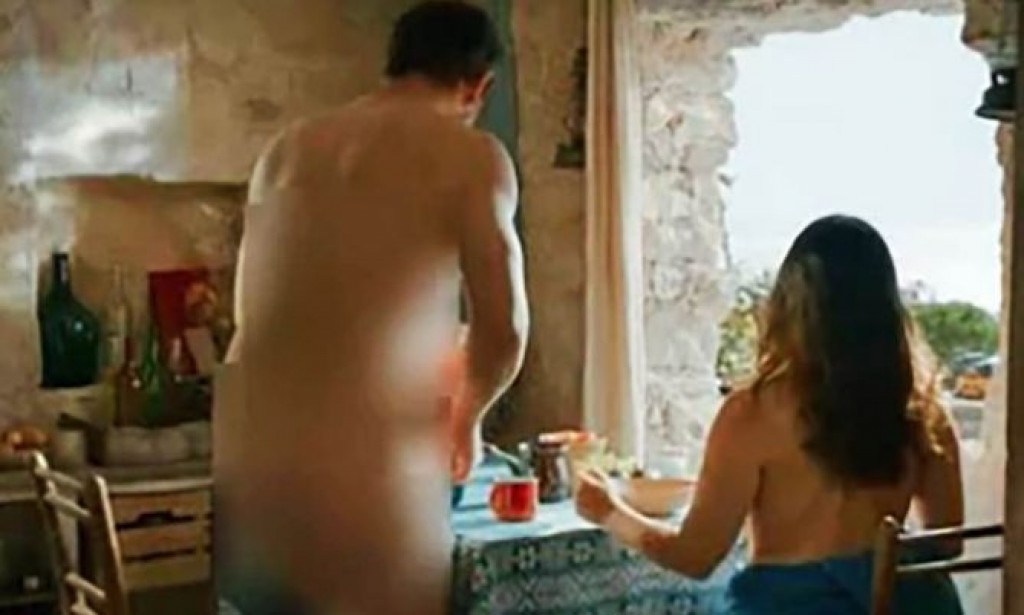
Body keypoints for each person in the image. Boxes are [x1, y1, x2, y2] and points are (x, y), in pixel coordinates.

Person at [216, 2, 529, 614]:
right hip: (361, 478)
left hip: (251, 468)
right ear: (479, 87)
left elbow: (254, 315)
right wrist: (465, 420)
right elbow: (505, 329)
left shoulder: (285, 150)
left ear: (395, 64)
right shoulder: (472, 158)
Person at [576, 215, 965, 615]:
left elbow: (696, 557)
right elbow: (949, 543)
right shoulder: (924, 410)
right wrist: (870, 565)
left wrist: (609, 511)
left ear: (788, 302)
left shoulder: (753, 414)